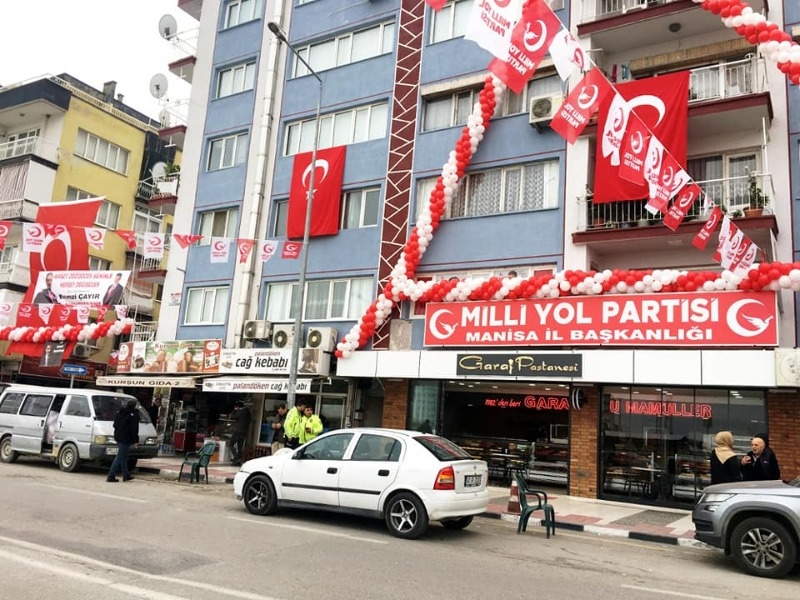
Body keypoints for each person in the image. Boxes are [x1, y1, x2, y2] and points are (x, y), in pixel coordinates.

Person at [107, 400, 139, 482]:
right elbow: (134, 429)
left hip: (118, 436)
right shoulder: (133, 414)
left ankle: (126, 474)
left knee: (124, 456)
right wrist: (136, 440)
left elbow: (115, 425)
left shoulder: (120, 412)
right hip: (126, 438)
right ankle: (111, 475)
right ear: (134, 406)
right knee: (120, 456)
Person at [229, 401, 252, 466]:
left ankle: (236, 458)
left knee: (231, 444)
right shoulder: (248, 413)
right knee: (240, 447)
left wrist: (235, 411)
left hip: (238, 431)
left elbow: (232, 417)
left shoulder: (240, 412)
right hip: (245, 432)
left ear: (238, 407)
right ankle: (239, 460)